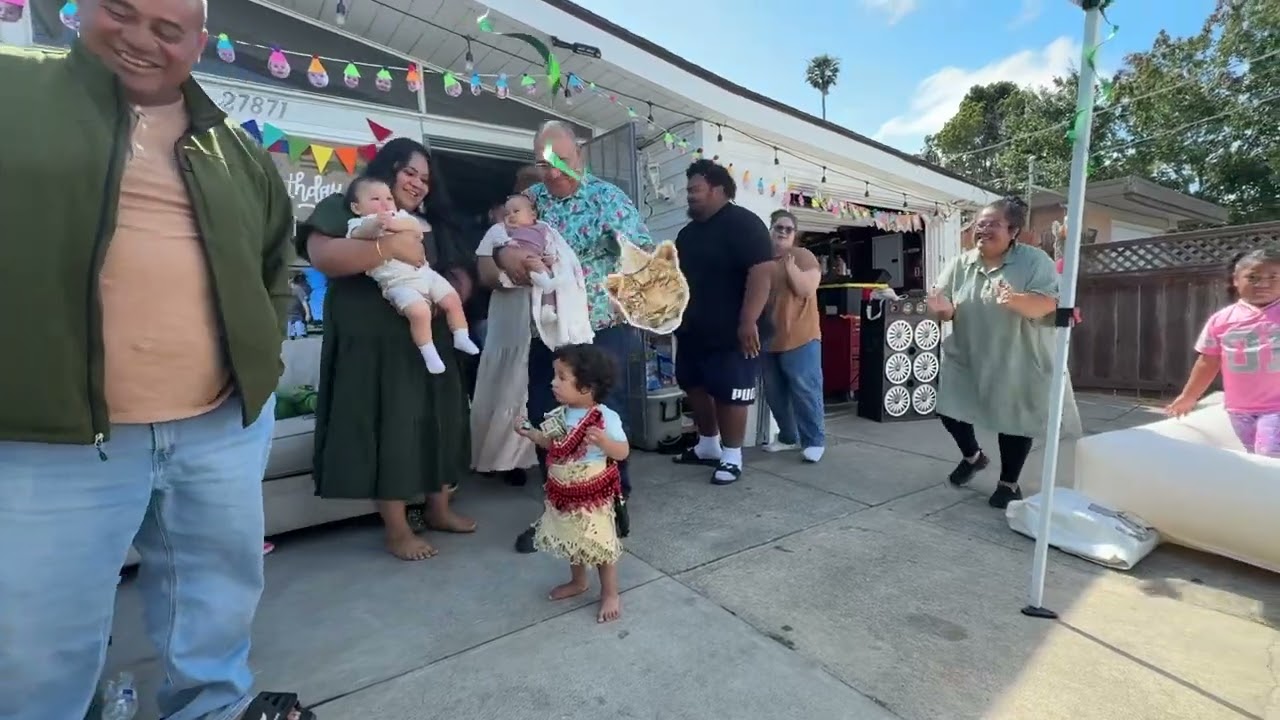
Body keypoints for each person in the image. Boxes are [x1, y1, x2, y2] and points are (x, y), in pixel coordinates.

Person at [0, 1, 315, 718]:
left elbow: (277, 262)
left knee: (214, 618)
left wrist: (256, 361)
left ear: (198, 43)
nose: (142, 38)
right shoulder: (11, 89)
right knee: (34, 653)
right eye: (122, 12)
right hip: (54, 442)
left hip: (218, 428)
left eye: (169, 29)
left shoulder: (232, 147)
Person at [298, 137, 476, 561]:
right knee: (390, 429)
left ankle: (439, 510)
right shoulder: (350, 207)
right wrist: (384, 248)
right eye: (409, 172)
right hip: (375, 347)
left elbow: (461, 273)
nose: (417, 184)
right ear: (387, 168)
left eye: (425, 179)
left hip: (430, 343)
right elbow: (322, 256)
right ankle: (397, 530)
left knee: (440, 422)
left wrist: (454, 295)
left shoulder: (428, 223)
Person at [494, 121, 654, 553]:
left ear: (580, 155)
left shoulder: (607, 198)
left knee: (604, 422)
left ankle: (610, 506)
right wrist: (506, 253)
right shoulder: (533, 203)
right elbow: (499, 243)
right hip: (548, 334)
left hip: (600, 332)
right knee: (550, 419)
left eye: (563, 161)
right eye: (545, 164)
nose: (555, 171)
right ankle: (559, 509)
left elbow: (641, 253)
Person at [926, 197, 1081, 509]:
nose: (982, 230)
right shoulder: (961, 264)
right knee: (948, 408)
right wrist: (942, 310)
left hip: (1017, 356)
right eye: (979, 224)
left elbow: (1048, 302)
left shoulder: (1034, 261)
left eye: (992, 224)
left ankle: (1008, 484)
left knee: (1014, 421)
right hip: (968, 354)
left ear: (1013, 230)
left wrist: (1015, 300)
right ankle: (974, 457)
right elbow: (947, 307)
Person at [670, 159, 774, 484]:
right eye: (688, 189)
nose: (689, 195)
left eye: (695, 189)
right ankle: (708, 445)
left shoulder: (745, 224)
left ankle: (732, 456)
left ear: (717, 189)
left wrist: (748, 321)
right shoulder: (686, 234)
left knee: (731, 394)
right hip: (693, 330)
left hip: (736, 331)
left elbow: (762, 272)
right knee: (695, 386)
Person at [516, 344, 629, 623]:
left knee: (599, 543)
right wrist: (530, 433)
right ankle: (578, 581)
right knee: (573, 539)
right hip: (564, 492)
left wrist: (604, 442)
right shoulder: (560, 415)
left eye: (562, 377)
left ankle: (610, 592)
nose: (553, 382)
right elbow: (550, 441)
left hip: (594, 494)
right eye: (555, 375)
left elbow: (622, 452)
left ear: (586, 387)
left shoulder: (605, 418)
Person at [345, 175, 480, 373]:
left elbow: (415, 229)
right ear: (357, 208)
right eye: (375, 200)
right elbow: (361, 233)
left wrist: (391, 224)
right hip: (397, 283)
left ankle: (461, 335)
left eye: (388, 199)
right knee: (419, 313)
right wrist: (376, 224)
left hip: (425, 273)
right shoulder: (357, 223)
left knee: (451, 299)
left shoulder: (401, 217)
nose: (384, 204)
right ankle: (428, 352)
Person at [1166, 247, 1280, 456]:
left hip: (1277, 406)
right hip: (1239, 408)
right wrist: (1189, 396)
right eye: (1253, 277)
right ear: (1236, 280)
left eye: (1273, 277)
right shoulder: (1222, 320)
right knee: (1252, 453)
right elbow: (1207, 361)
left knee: (1269, 453)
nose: (1263, 283)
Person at [484, 193, 593, 347]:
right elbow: (492, 246)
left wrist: (551, 257)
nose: (511, 216)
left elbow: (552, 245)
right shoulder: (506, 232)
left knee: (545, 276)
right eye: (507, 214)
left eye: (516, 212)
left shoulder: (542, 228)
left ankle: (548, 308)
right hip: (520, 267)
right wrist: (503, 252)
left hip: (536, 260)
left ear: (532, 214)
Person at [760, 209, 826, 462]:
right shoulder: (762, 260)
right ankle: (788, 437)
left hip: (802, 337)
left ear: (794, 234)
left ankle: (814, 441)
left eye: (789, 229)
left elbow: (807, 288)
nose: (783, 232)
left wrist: (790, 267)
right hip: (768, 341)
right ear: (771, 229)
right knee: (775, 394)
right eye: (779, 227)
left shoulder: (802, 256)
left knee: (805, 390)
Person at [287, 273, 313, 339]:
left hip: (298, 315)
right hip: (288, 316)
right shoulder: (285, 289)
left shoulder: (298, 288)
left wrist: (308, 314)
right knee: (290, 335)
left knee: (301, 333)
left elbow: (304, 301)